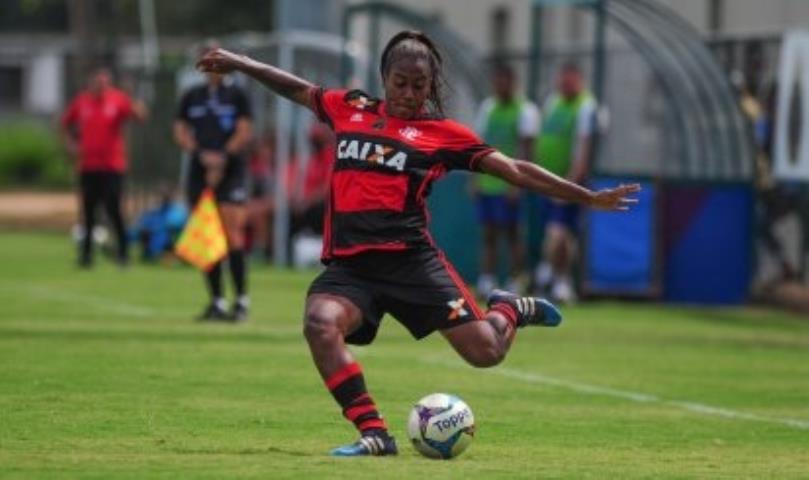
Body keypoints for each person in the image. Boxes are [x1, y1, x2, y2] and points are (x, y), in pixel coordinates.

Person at [197, 30, 638, 456]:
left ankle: (509, 309)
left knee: (486, 353)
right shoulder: (349, 108)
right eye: (400, 83)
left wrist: (586, 196)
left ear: (430, 86)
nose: (409, 94)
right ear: (384, 78)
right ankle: (374, 434)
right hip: (352, 269)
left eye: (419, 85)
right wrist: (241, 63)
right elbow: (296, 88)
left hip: (412, 263)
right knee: (319, 323)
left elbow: (516, 169)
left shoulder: (444, 133)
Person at [174, 41, 253, 322]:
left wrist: (221, 159)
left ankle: (241, 301)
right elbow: (180, 130)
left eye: (216, 59)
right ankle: (217, 301)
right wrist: (200, 155)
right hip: (200, 171)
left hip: (231, 172)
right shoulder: (192, 95)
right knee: (208, 235)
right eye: (206, 60)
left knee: (232, 234)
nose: (211, 66)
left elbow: (244, 131)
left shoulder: (237, 95)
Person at [60, 68, 147, 268]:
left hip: (112, 166)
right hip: (88, 166)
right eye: (97, 82)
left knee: (113, 209)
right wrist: (70, 144)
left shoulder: (118, 99)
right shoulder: (82, 101)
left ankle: (123, 253)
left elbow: (140, 116)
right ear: (91, 82)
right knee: (88, 211)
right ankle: (86, 256)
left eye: (104, 82)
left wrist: (132, 97)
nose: (100, 86)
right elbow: (65, 123)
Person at [472, 63, 539, 296]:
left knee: (512, 234)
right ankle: (486, 280)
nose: (500, 85)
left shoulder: (526, 110)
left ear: (513, 82)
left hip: (509, 184)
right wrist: (475, 179)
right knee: (488, 233)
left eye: (504, 80)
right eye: (497, 81)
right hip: (488, 183)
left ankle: (516, 280)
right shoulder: (488, 108)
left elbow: (526, 150)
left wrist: (517, 183)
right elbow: (479, 145)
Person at [533, 62, 597, 303]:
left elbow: (584, 150)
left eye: (570, 80)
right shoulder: (553, 102)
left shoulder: (587, 106)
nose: (565, 84)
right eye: (562, 80)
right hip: (547, 180)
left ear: (579, 81)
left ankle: (547, 274)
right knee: (561, 234)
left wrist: (569, 183)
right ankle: (562, 280)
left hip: (568, 182)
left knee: (558, 232)